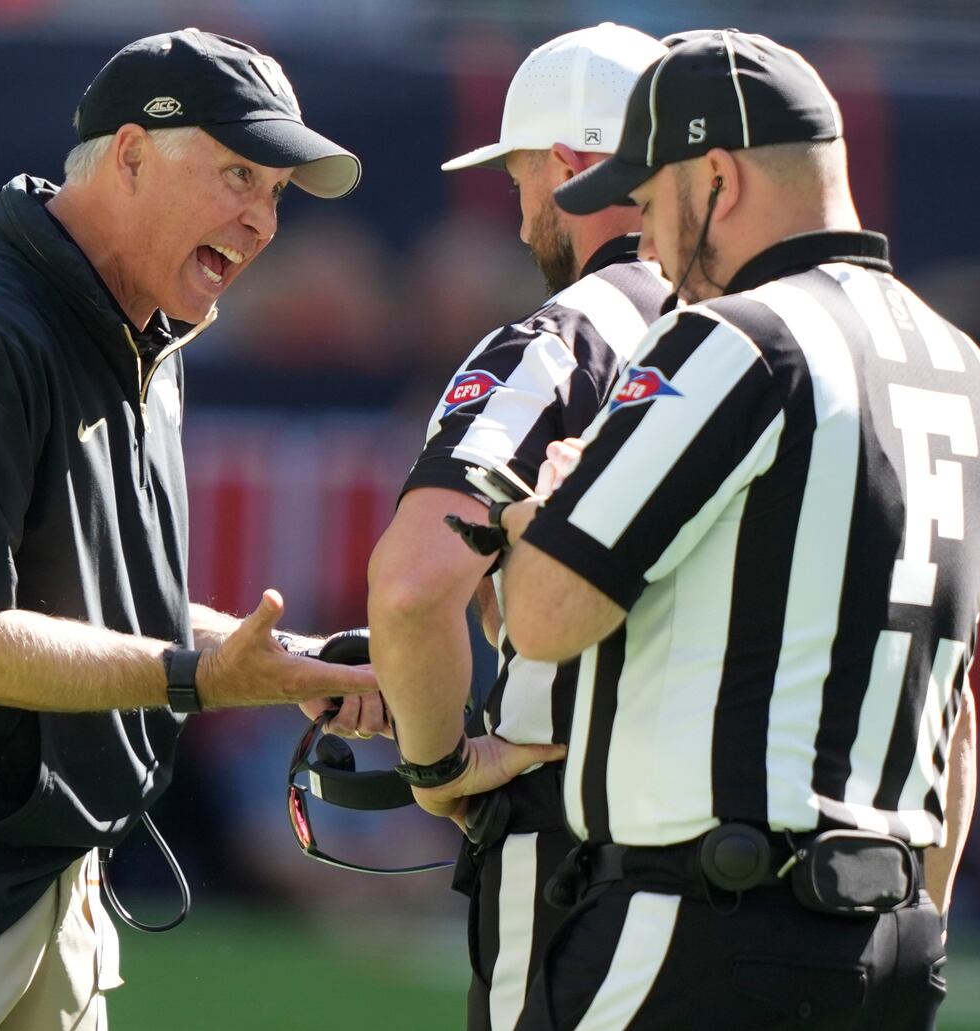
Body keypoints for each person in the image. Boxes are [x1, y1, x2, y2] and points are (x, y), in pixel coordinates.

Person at [0, 29, 374, 1031]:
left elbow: (104, 609)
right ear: (130, 154)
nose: (261, 220)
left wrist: (289, 663)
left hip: (55, 882)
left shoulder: (137, 336)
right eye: (236, 173)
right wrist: (194, 674)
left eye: (274, 192)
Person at [491, 31, 980, 1029]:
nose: (642, 244)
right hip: (892, 932)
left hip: (709, 923)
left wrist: (540, 510)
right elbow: (952, 707)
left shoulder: (738, 338)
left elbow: (546, 613)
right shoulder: (958, 365)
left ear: (717, 177)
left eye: (648, 203)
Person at [365, 23, 669, 1031]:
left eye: (521, 175)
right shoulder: (785, 332)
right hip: (780, 866)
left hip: (585, 858)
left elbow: (413, 584)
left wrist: (438, 762)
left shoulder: (559, 342)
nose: (519, 208)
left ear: (572, 166)